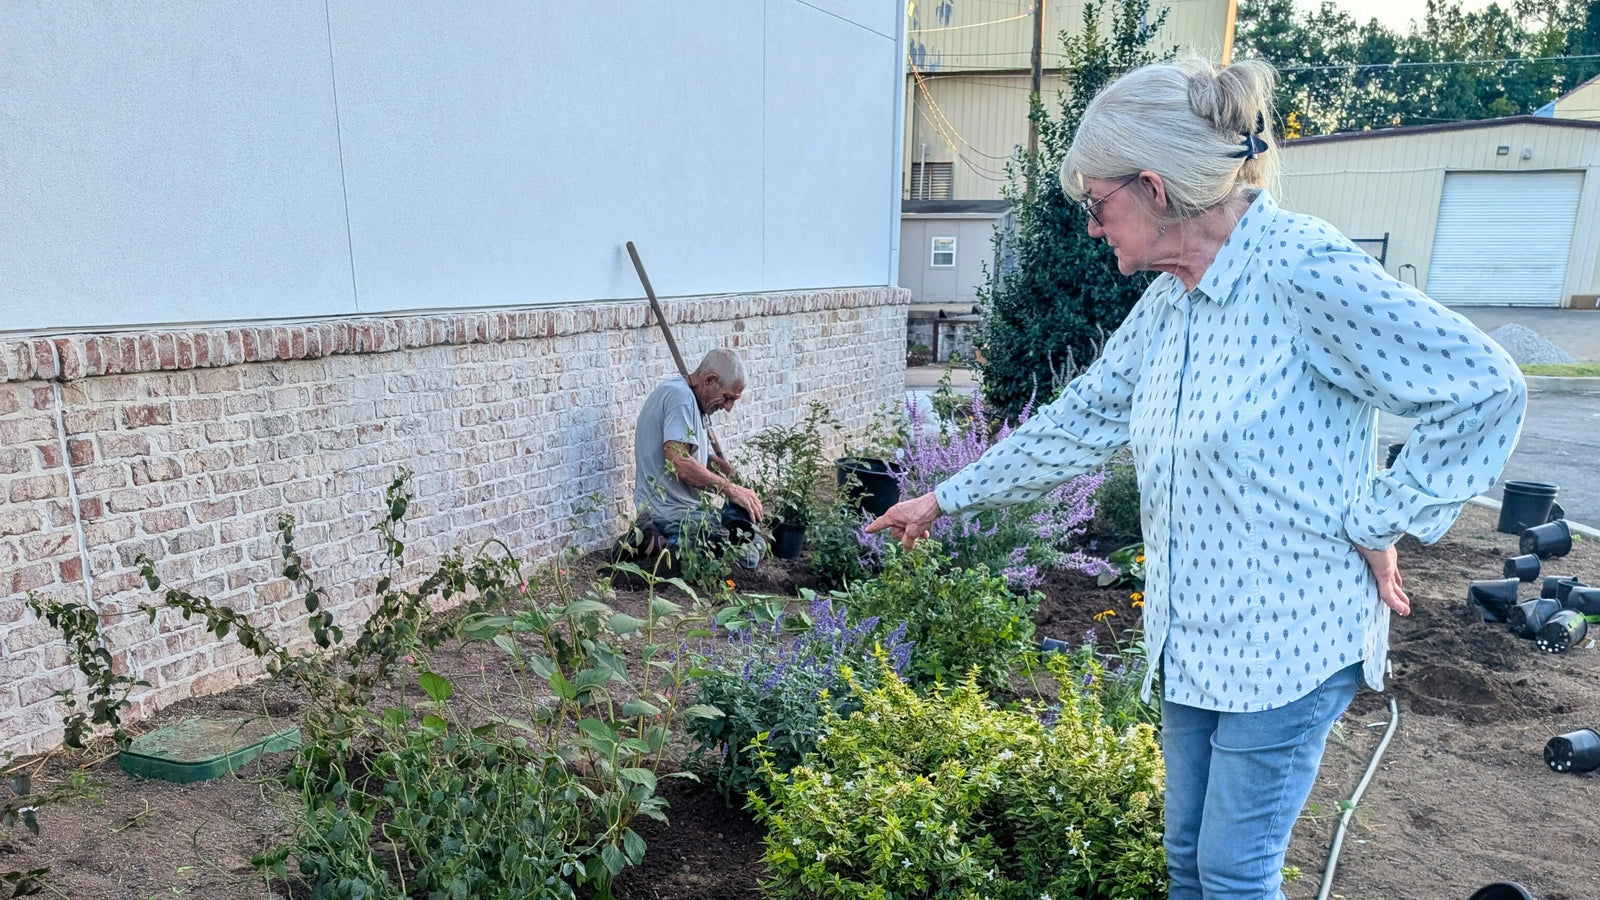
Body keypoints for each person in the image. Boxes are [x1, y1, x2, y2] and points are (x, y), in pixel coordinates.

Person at [867, 56, 1525, 900]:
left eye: (1097, 205)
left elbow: (1485, 388)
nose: (1093, 227)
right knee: (1188, 863)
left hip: (1288, 643)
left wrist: (1379, 519)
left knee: (1235, 873)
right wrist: (944, 496)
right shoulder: (1172, 299)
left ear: (1153, 187)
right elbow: (1082, 417)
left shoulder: (1299, 270)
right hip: (1194, 645)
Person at [634, 348, 765, 566]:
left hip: (685, 511)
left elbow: (702, 458)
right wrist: (730, 490)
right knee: (746, 556)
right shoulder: (681, 398)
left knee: (750, 535)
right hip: (669, 515)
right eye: (727, 397)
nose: (729, 407)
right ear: (710, 380)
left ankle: (667, 544)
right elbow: (679, 463)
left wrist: (734, 478)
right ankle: (665, 548)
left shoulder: (689, 399)